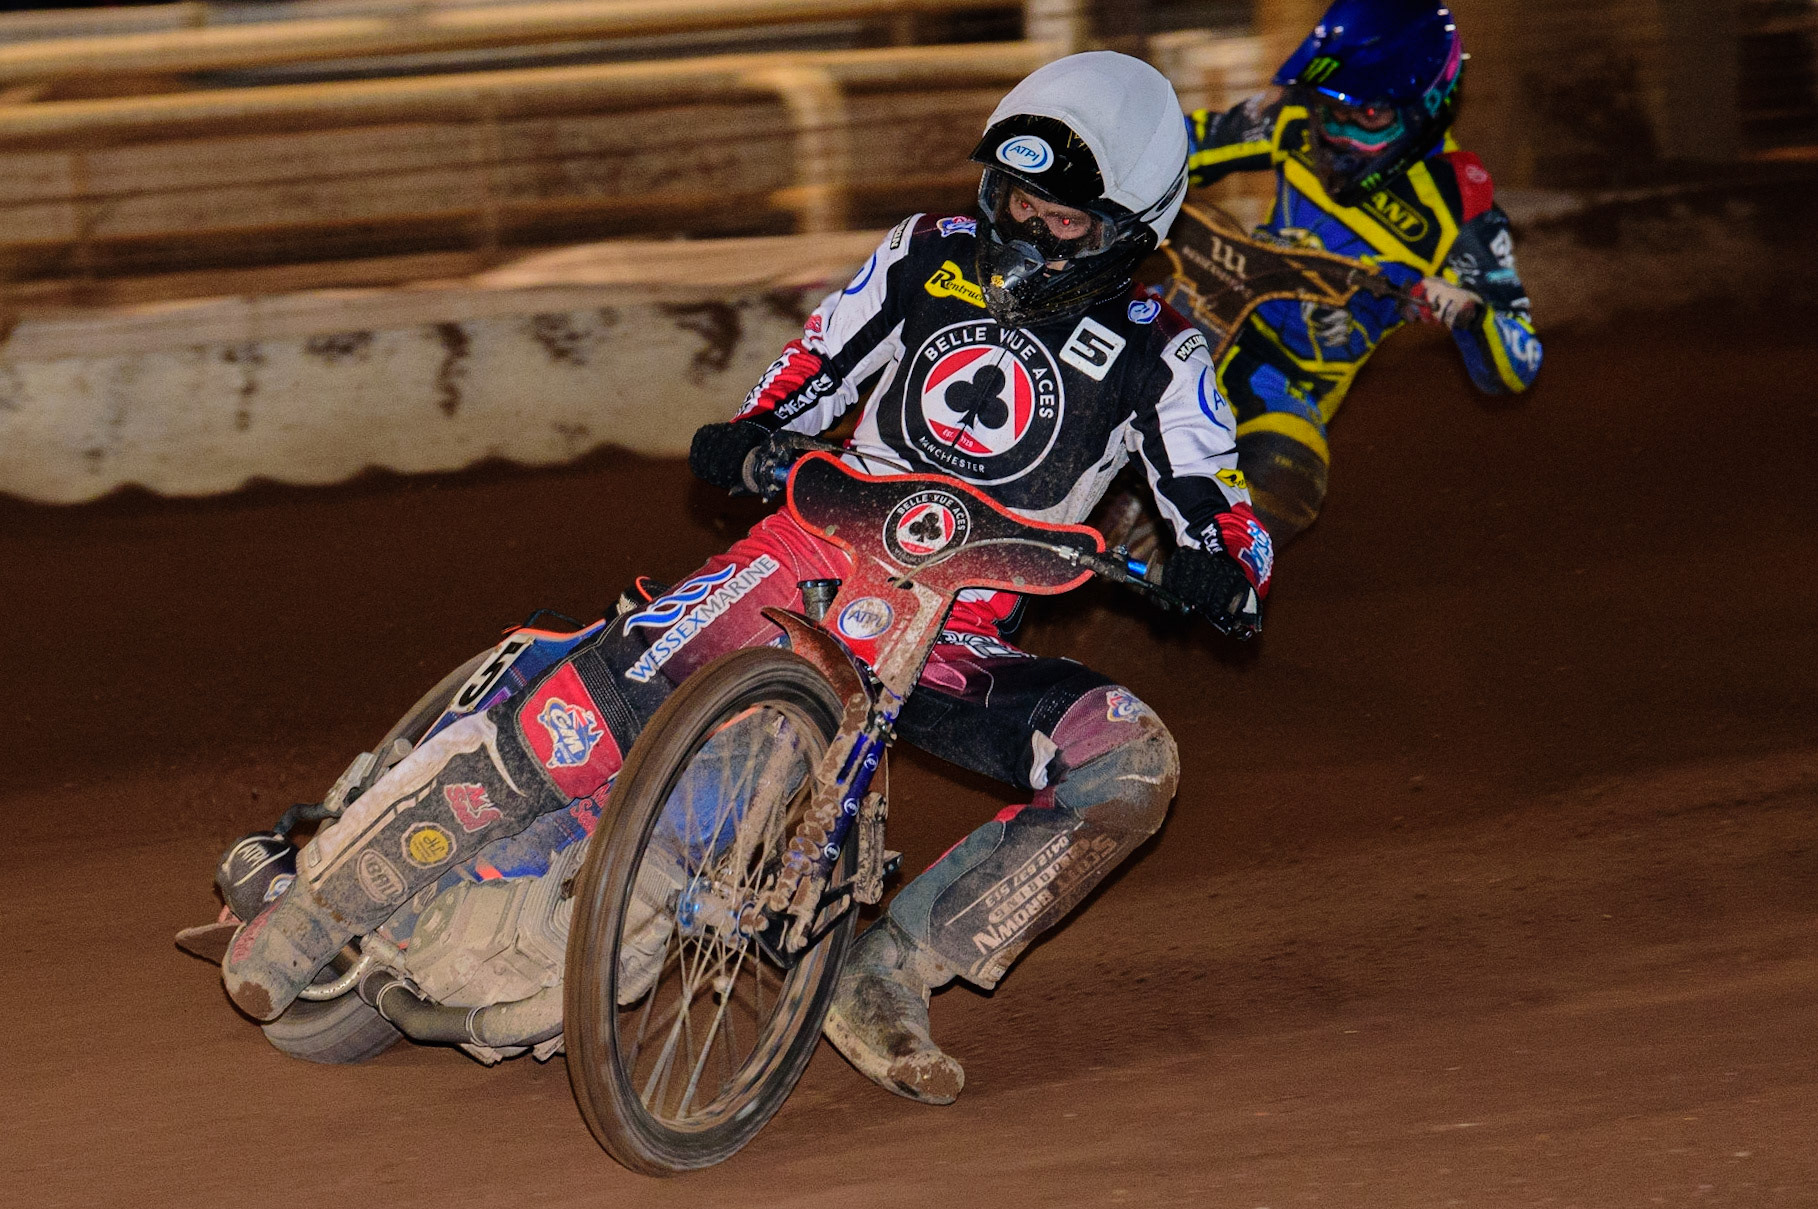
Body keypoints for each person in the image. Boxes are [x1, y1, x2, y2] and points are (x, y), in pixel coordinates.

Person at [219, 53, 1273, 1108]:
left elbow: (1224, 505)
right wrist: (754, 433)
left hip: (949, 636)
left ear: (1133, 229)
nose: (1025, 229)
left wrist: (1225, 570)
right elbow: (811, 370)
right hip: (806, 555)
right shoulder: (926, 253)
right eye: (1013, 197)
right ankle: (323, 903)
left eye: (1063, 218)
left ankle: (887, 970)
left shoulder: (1161, 355)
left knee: (1128, 763)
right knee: (577, 720)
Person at [1181, 0, 1541, 543]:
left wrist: (1470, 313)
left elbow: (1521, 361)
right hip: (1192, 312)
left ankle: (1202, 577)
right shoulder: (1295, 118)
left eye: (1369, 116)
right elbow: (1187, 143)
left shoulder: (1458, 209)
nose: (1343, 133)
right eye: (1333, 107)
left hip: (1286, 380)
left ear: (1427, 107)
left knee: (1287, 479)